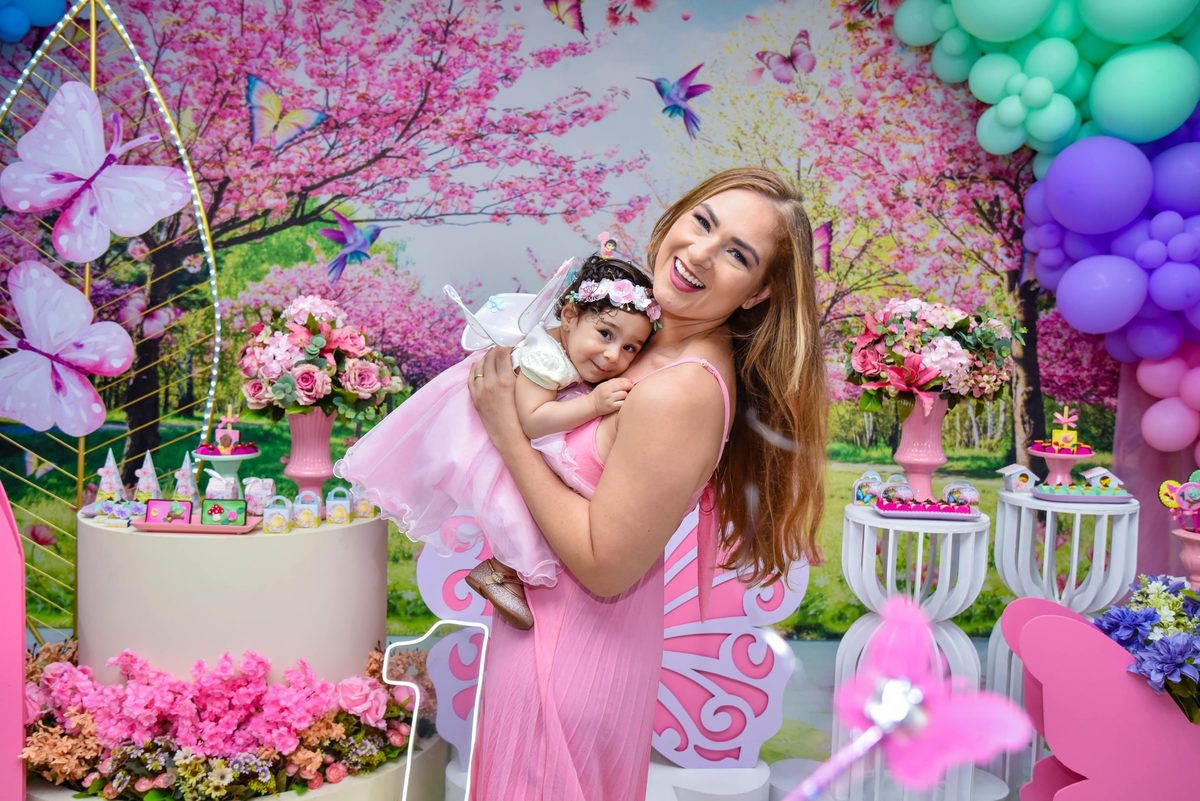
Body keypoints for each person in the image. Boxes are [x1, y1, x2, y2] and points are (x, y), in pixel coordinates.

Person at [465, 167, 828, 800]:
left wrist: (507, 431)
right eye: (703, 222)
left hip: (571, 654)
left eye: (737, 255)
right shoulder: (641, 340)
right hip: (545, 633)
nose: (700, 253)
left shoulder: (680, 391)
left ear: (758, 293)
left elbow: (606, 566)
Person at [335, 250, 661, 630]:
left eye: (629, 348)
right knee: (521, 506)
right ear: (570, 316)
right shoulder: (545, 358)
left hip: (506, 426)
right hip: (486, 437)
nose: (612, 355)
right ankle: (498, 572)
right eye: (605, 334)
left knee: (534, 502)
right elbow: (533, 421)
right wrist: (592, 404)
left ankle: (502, 570)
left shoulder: (564, 349)